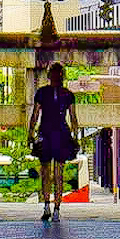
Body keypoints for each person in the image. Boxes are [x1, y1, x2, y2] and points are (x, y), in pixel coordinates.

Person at [28, 61, 78, 221]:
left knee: (45, 173)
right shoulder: (68, 94)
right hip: (62, 134)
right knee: (59, 174)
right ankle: (57, 208)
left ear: (49, 76)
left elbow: (35, 115)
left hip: (45, 133)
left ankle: (47, 206)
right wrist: (76, 137)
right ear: (63, 76)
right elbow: (73, 119)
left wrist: (30, 133)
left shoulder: (42, 93)